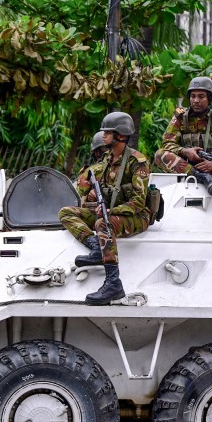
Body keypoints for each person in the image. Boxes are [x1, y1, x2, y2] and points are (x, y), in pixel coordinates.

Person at [58, 111, 151, 305]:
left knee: (103, 224)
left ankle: (113, 283)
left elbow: (138, 202)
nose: (103, 136)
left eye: (108, 132)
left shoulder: (137, 162)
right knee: (66, 212)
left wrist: (111, 212)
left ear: (121, 135)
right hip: (110, 212)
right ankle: (95, 246)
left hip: (136, 216)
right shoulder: (108, 159)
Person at [154, 76, 212, 231]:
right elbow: (167, 143)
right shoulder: (180, 117)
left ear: (210, 99)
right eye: (193, 96)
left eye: (201, 96)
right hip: (188, 165)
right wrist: (185, 151)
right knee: (160, 154)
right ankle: (202, 177)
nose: (196, 100)